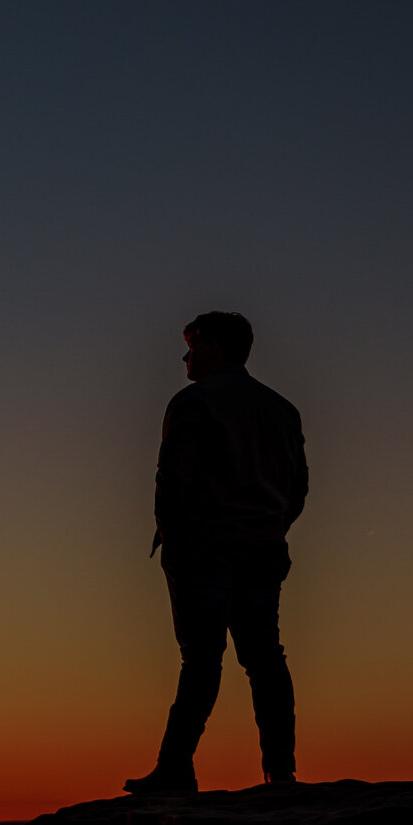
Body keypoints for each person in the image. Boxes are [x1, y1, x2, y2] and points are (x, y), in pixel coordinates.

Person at [126, 310, 307, 795]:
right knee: (265, 657)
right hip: (263, 551)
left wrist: (173, 538)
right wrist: (268, 526)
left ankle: (175, 769)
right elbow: (298, 490)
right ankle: (281, 771)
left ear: (215, 346)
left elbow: (172, 481)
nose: (186, 356)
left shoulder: (192, 403)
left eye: (193, 345)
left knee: (202, 661)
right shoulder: (283, 410)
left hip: (203, 551)